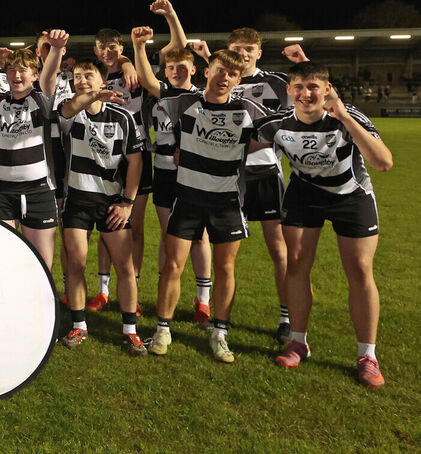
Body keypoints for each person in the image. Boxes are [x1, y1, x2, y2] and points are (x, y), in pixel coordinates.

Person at [258, 62, 393, 388]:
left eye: (313, 87)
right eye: (299, 88)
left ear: (327, 89)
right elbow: (244, 150)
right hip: (304, 196)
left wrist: (345, 116)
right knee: (297, 264)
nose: (306, 94)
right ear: (289, 91)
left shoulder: (349, 118)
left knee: (360, 270)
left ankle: (367, 355)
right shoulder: (275, 124)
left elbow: (383, 162)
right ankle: (298, 342)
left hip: (352, 197)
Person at [150, 49, 270, 363]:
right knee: (173, 265)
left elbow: (277, 131)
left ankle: (220, 334)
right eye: (218, 70)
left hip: (227, 202)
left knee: (225, 267)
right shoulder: (182, 103)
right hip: (187, 197)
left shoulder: (248, 110)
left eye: (231, 74)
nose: (223, 78)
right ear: (207, 72)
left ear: (238, 78)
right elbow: (153, 85)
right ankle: (163, 329)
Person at [191, 27, 307, 343]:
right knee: (223, 253)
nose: (242, 54)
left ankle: (286, 318)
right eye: (236, 49)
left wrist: (303, 60)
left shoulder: (276, 82)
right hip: (228, 178)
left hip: (265, 173)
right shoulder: (222, 78)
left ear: (258, 52)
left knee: (279, 250)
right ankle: (214, 313)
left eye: (248, 49)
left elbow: (313, 92)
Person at [56, 59, 146, 355]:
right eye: (77, 76)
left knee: (125, 267)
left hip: (111, 202)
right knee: (76, 264)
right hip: (78, 200)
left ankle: (130, 331)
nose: (81, 80)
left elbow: (136, 162)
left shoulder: (123, 118)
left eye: (88, 75)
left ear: (103, 79)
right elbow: (69, 109)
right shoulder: (69, 113)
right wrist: (90, 97)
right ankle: (79, 325)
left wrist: (129, 203)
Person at [130, 24, 215, 323]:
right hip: (165, 172)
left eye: (182, 66)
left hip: (196, 176)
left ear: (193, 69)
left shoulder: (205, 97)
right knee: (169, 235)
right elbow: (144, 77)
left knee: (199, 237)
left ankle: (203, 300)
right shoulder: (159, 93)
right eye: (170, 67)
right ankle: (166, 290)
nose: (176, 71)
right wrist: (138, 48)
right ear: (164, 72)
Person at [0, 31, 67, 268]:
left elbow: (49, 78)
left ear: (34, 74)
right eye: (11, 70)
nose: (16, 75)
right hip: (0, 191)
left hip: (38, 190)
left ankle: (40, 305)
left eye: (22, 70)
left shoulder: (42, 100)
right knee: (4, 262)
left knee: (41, 264)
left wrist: (57, 50)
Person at [87, 28, 146, 312]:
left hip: (134, 153)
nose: (107, 52)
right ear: (96, 50)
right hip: (105, 155)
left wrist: (129, 62)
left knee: (135, 227)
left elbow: (175, 50)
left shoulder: (133, 74)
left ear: (120, 47)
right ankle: (103, 290)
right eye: (102, 47)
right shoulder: (95, 76)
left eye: (112, 47)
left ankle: (131, 287)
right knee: (106, 225)